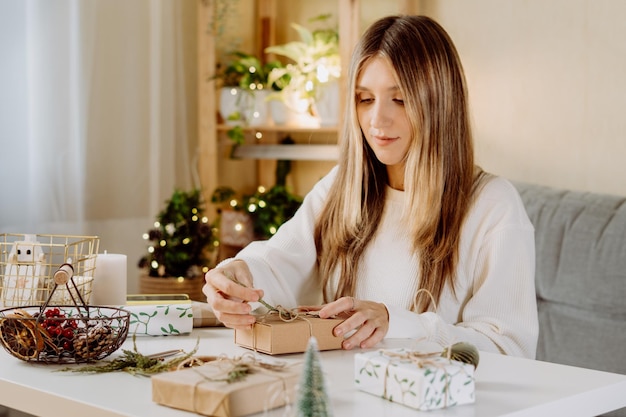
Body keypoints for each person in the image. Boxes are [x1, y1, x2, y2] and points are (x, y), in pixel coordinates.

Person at [204, 15, 538, 358]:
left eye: (401, 99)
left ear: (440, 104)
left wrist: (397, 323)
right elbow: (280, 261)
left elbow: (510, 348)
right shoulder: (342, 187)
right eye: (365, 99)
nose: (377, 120)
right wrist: (238, 276)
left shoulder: (494, 206)